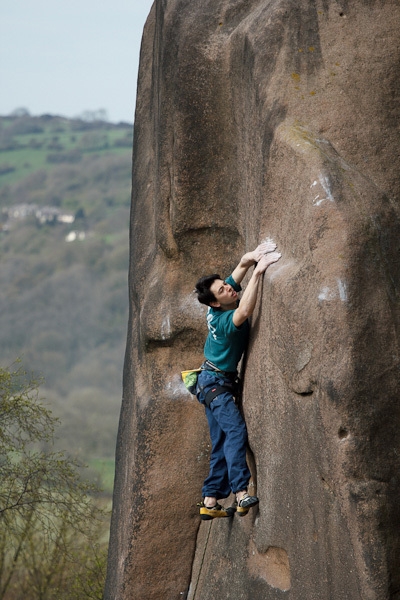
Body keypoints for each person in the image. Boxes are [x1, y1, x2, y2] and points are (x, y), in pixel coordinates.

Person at [194, 240, 281, 520]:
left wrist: (253, 257)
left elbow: (240, 266)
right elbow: (244, 311)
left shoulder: (216, 305)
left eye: (226, 284)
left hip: (210, 382)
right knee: (235, 433)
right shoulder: (224, 320)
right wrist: (259, 273)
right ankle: (241, 493)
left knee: (220, 442)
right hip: (216, 385)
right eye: (223, 289)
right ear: (215, 302)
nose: (230, 288)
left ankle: (210, 500)